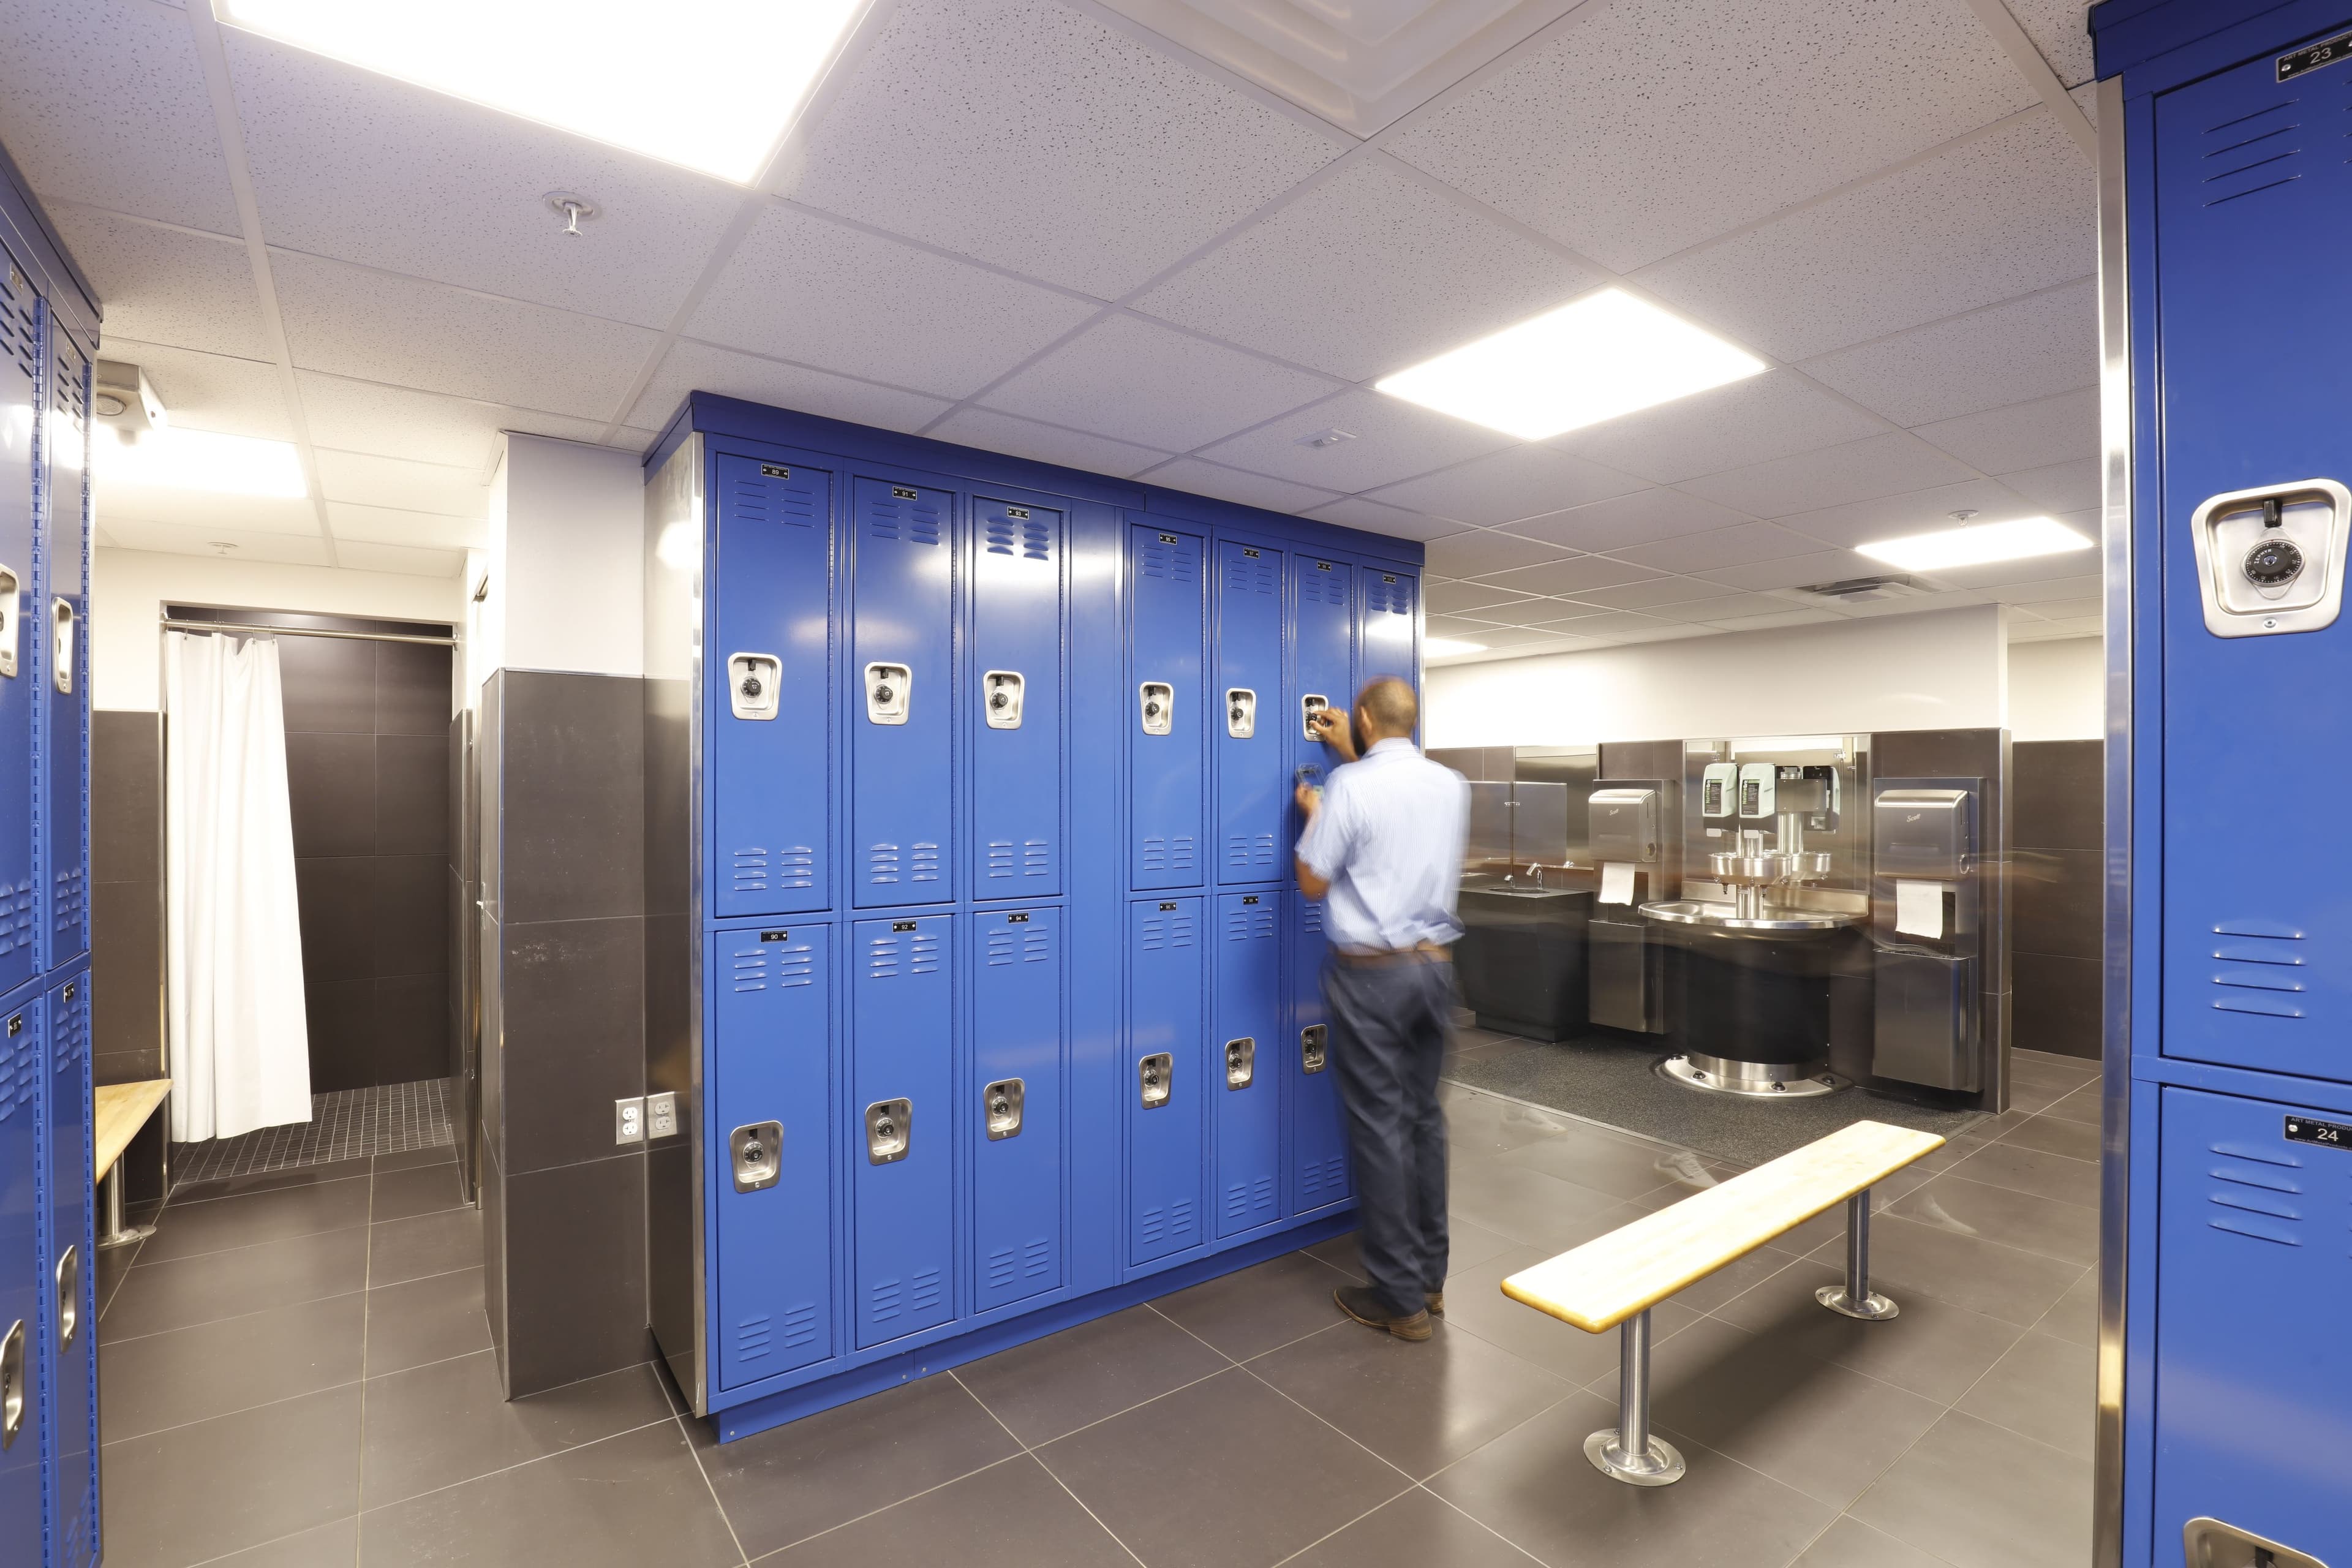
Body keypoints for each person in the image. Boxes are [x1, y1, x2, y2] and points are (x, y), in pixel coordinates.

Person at [1294, 676, 1469, 1342]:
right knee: (1424, 1122)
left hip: (1372, 979)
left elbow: (1314, 878)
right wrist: (1350, 764)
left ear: (1362, 717)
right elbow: (1393, 830)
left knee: (1380, 1129)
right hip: (1435, 973)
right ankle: (1430, 1279)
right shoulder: (1449, 784)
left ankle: (1398, 1301)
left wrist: (1316, 812)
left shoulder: (1351, 790)